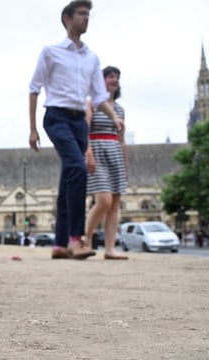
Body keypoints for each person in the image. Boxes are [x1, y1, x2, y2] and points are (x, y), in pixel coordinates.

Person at [28, 0, 124, 259]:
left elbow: (99, 95)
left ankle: (59, 245)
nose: (86, 18)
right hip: (57, 116)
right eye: (82, 14)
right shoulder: (51, 52)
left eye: (88, 14)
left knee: (66, 180)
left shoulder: (92, 58)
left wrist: (114, 116)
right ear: (66, 18)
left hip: (79, 120)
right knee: (77, 169)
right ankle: (75, 239)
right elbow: (34, 88)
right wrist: (33, 129)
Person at [83, 66, 129, 260]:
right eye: (110, 76)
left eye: (117, 77)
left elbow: (121, 140)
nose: (115, 79)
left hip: (115, 152)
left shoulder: (119, 109)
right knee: (103, 200)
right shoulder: (91, 103)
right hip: (97, 150)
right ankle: (85, 241)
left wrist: (125, 166)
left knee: (115, 204)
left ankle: (110, 248)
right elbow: (84, 130)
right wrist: (88, 153)